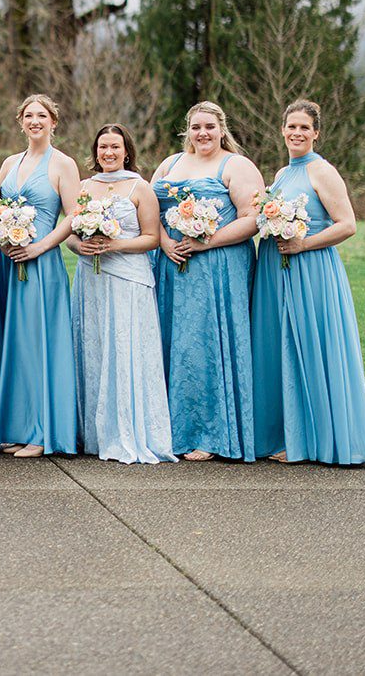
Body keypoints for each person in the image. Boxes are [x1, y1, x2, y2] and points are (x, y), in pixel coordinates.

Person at [251, 99, 365, 466]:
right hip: (276, 271)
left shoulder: (322, 172)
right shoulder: (280, 175)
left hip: (311, 271)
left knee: (310, 346)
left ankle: (316, 440)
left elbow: (347, 224)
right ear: (282, 130)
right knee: (282, 348)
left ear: (316, 133)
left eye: (304, 128)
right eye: (291, 126)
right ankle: (289, 436)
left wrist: (302, 243)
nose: (297, 133)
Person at [150, 100, 264, 462]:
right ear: (188, 129)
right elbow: (149, 210)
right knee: (171, 344)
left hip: (217, 269)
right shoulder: (170, 163)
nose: (202, 133)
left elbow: (253, 217)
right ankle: (167, 428)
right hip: (171, 266)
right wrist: (166, 241)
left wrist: (207, 241)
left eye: (210, 127)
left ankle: (210, 433)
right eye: (196, 127)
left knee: (205, 345)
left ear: (222, 129)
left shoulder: (236, 165)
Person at [67, 123, 175, 465]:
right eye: (102, 148)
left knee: (125, 348)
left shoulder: (140, 188)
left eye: (114, 147)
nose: (108, 153)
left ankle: (129, 430)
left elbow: (151, 238)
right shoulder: (83, 187)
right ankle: (96, 434)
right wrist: (80, 247)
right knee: (95, 349)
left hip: (128, 279)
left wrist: (115, 245)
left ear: (126, 151)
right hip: (91, 279)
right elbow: (68, 232)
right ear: (95, 152)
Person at [0, 94, 82, 457]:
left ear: (53, 122)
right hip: (8, 261)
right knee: (12, 342)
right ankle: (15, 425)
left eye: (41, 115)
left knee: (37, 343)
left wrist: (39, 247)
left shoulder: (64, 164)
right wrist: (3, 236)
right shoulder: (10, 162)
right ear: (21, 121)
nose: (35, 121)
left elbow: (74, 216)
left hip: (41, 263)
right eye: (28, 115)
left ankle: (43, 431)